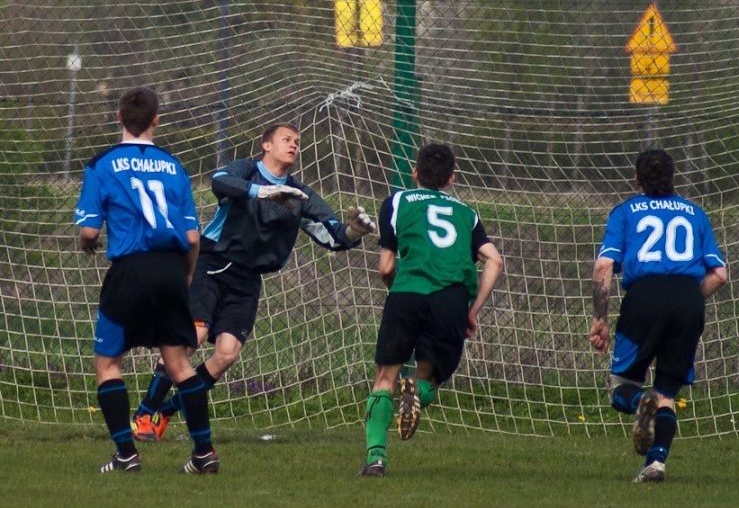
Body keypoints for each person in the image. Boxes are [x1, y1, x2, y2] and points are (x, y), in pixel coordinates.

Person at [130, 122, 377, 441]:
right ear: (266, 146)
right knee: (193, 336)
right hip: (213, 263)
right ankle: (144, 413)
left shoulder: (300, 194)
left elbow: (332, 234)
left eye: (297, 142)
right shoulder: (246, 171)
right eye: (286, 139)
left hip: (248, 278)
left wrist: (354, 232)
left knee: (227, 354)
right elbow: (219, 181)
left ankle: (165, 412)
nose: (294, 145)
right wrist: (261, 192)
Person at [74, 86, 218, 474]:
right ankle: (204, 454)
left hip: (131, 270)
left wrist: (88, 243)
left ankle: (126, 455)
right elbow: (192, 238)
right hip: (171, 269)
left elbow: (89, 233)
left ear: (118, 117)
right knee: (178, 364)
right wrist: (186, 274)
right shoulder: (175, 166)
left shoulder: (102, 163)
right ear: (156, 119)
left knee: (108, 364)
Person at [360, 143, 504, 477]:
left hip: (407, 294)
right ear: (452, 178)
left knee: (384, 377)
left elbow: (385, 269)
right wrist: (473, 310)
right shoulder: (467, 214)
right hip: (450, 299)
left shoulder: (396, 202)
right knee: (431, 373)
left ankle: (376, 459)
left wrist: (399, 291)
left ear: (415, 173)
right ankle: (419, 391)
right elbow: (495, 261)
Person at [588, 149, 727, 483]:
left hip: (644, 296)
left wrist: (600, 319)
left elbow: (604, 266)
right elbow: (720, 274)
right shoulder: (694, 213)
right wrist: (690, 297)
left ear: (636, 179)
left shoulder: (625, 211)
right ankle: (656, 463)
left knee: (621, 386)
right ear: (673, 178)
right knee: (668, 389)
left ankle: (639, 400)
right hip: (687, 298)